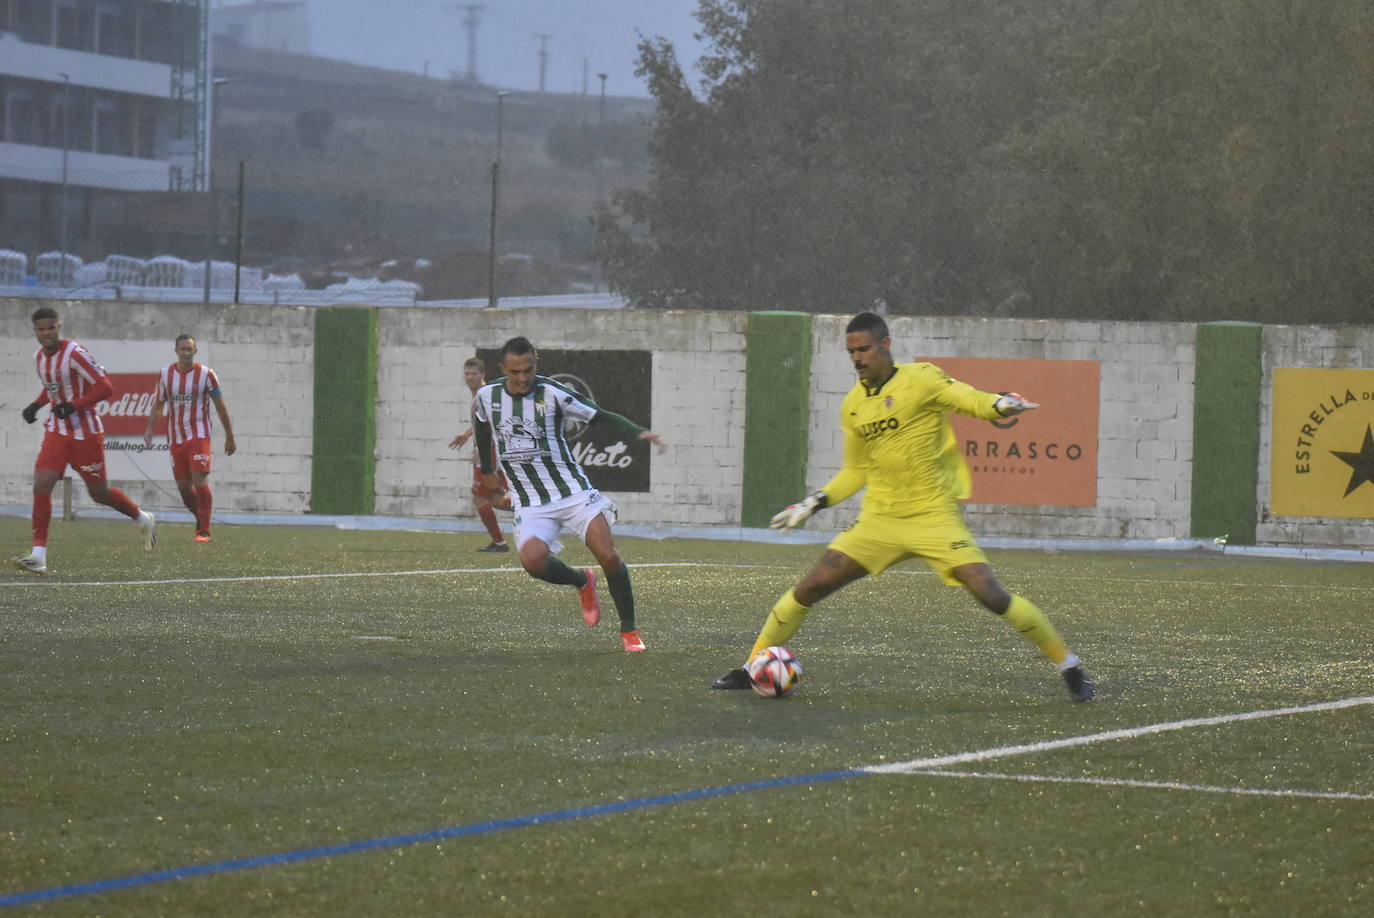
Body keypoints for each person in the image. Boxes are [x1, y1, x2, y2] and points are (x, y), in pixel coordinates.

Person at [711, 311, 1094, 702]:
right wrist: (815, 502)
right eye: (851, 352)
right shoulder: (853, 405)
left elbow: (970, 400)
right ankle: (750, 667)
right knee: (811, 587)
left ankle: (1069, 666)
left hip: (933, 516)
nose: (858, 358)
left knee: (991, 594)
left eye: (864, 349)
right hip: (880, 521)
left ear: (885, 345)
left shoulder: (921, 379)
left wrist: (1000, 404)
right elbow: (855, 470)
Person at [472, 336, 665, 653]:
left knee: (608, 555)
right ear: (503, 368)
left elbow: (599, 414)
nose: (522, 378)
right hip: (531, 502)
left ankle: (629, 631)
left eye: (528, 370)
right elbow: (481, 425)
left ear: (536, 362)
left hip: (573, 493)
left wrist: (636, 431)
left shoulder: (552, 393)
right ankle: (582, 582)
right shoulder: (486, 397)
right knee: (533, 562)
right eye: (515, 372)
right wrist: (488, 468)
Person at [12, 306, 157, 574]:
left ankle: (142, 518)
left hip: (86, 433)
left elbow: (105, 387)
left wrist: (74, 405)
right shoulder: (39, 358)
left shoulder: (74, 353)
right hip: (57, 431)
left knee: (99, 493)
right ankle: (38, 555)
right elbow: (53, 387)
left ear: (58, 326)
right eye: (41, 329)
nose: (46, 333)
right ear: (35, 331)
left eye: (50, 328)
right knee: (42, 483)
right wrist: (36, 404)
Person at [142, 335, 236, 543]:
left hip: (199, 433)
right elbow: (159, 405)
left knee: (199, 478)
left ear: (196, 351)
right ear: (176, 351)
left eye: (190, 349)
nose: (186, 352)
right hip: (176, 436)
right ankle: (200, 519)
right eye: (182, 349)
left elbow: (220, 406)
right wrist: (149, 428)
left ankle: (204, 530)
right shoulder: (165, 375)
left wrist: (229, 436)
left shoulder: (206, 375)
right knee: (183, 487)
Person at [449, 356, 512, 552]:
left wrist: (483, 453)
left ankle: (501, 541)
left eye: (474, 373)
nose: (470, 377)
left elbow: (492, 426)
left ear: (482, 375)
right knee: (494, 499)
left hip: (490, 451)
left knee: (480, 498)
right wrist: (467, 435)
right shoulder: (482, 394)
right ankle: (533, 510)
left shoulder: (483, 395)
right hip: (491, 450)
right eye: (467, 373)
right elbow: (480, 424)